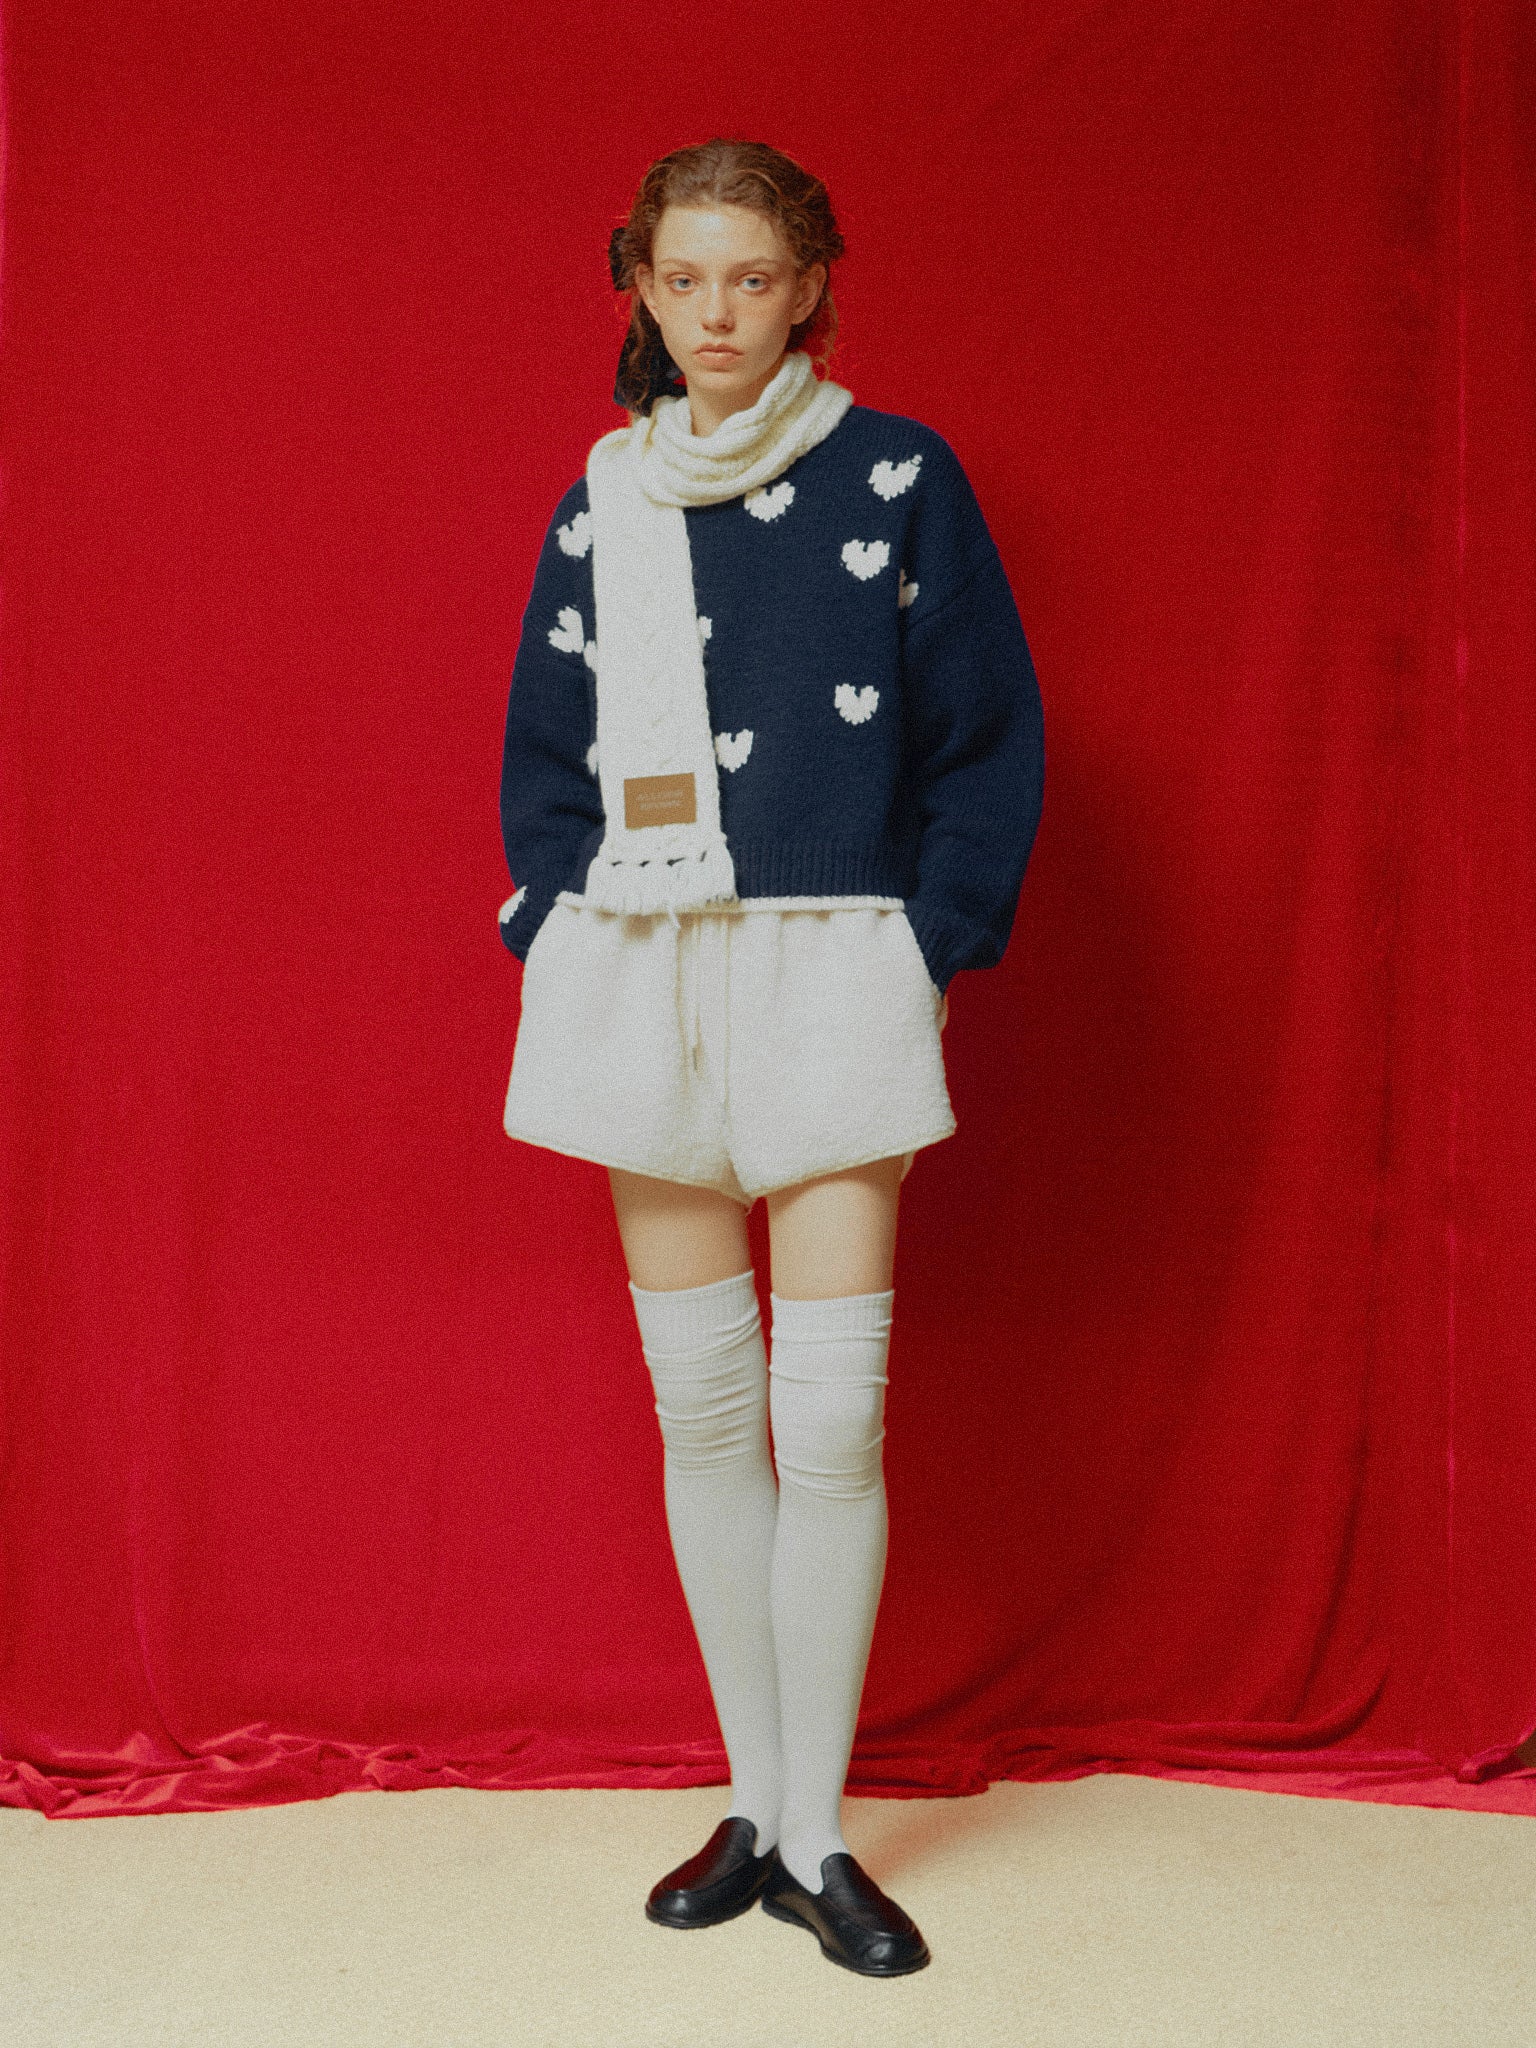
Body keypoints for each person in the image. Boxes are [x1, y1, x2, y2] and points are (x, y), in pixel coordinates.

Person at [496, 137, 1044, 1977]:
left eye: (751, 277)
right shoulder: (603, 505)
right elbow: (547, 754)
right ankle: (753, 1802)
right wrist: (556, 932)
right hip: (645, 968)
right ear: (640, 290)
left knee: (830, 1418)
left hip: (832, 965)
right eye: (683, 279)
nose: (715, 314)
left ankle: (821, 1832)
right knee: (708, 1411)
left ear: (810, 285)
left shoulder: (900, 476)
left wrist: (928, 946)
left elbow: (985, 737)